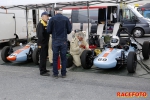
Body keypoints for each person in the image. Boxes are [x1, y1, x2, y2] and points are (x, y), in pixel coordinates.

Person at [47, 7, 72, 78]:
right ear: (62, 11)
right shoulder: (66, 19)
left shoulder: (52, 19)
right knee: (63, 57)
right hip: (63, 40)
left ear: (55, 11)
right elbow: (69, 30)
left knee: (55, 58)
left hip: (55, 40)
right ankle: (63, 73)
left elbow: (48, 30)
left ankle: (55, 74)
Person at [36, 11, 50, 76]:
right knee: (42, 57)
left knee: (44, 57)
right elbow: (40, 35)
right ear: (43, 16)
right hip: (42, 44)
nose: (48, 17)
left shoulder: (45, 23)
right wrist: (42, 43)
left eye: (48, 16)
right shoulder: (40, 24)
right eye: (47, 16)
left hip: (45, 43)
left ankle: (44, 69)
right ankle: (42, 71)